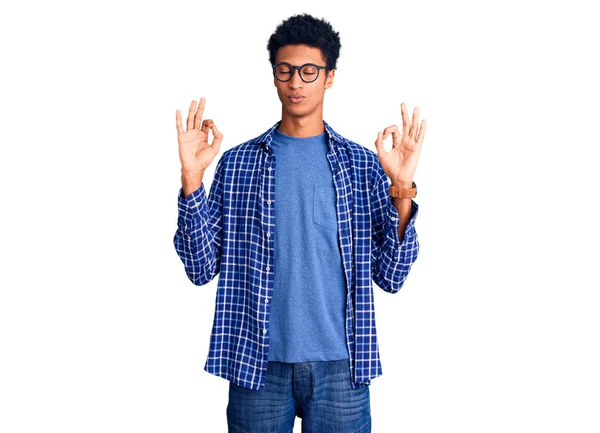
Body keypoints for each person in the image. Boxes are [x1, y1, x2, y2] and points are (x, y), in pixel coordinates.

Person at [173, 13, 425, 433]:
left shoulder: (361, 164)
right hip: (257, 364)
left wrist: (401, 185)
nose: (296, 82)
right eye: (285, 70)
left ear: (328, 78)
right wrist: (191, 180)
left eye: (309, 72)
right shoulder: (238, 164)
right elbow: (200, 269)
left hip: (342, 367)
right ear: (274, 75)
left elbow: (392, 275)